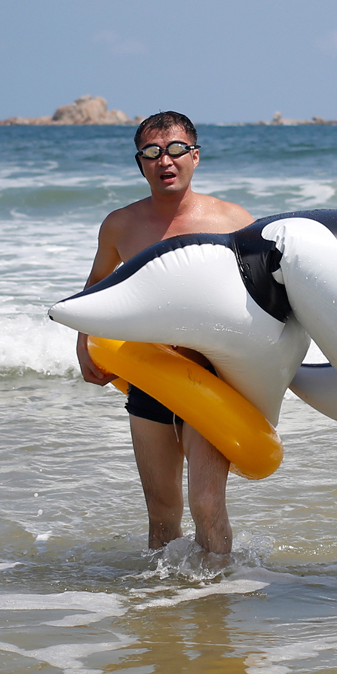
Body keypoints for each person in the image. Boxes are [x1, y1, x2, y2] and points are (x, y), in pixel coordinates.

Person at [77, 111, 253, 561]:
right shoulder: (121, 225)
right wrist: (83, 341)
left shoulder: (233, 220)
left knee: (207, 503)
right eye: (152, 153)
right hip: (152, 376)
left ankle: (217, 595)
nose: (165, 161)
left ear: (195, 156)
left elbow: (268, 294)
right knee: (161, 511)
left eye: (175, 150)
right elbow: (97, 286)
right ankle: (164, 607)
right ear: (140, 163)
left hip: (213, 375)